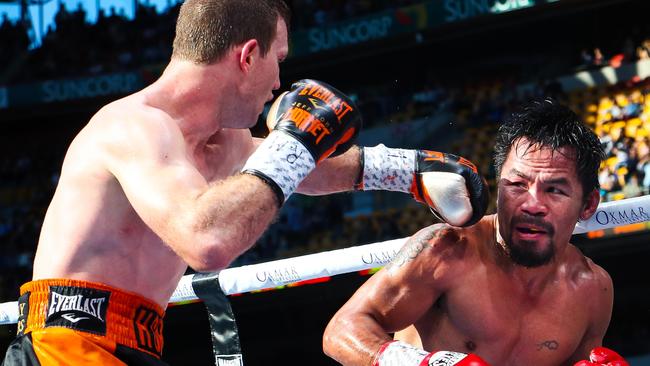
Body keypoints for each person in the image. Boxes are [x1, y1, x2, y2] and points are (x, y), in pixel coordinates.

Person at [2, 1, 488, 365]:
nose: (281, 81)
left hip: (134, 344)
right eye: (279, 58)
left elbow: (308, 168)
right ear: (248, 55)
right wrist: (293, 142)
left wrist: (411, 170)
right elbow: (206, 239)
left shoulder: (222, 142)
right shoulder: (132, 127)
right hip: (64, 342)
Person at [323, 99, 629, 366]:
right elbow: (342, 329)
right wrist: (428, 364)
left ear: (587, 205)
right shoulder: (444, 251)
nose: (532, 204)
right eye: (517, 184)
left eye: (554, 190)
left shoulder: (593, 291)